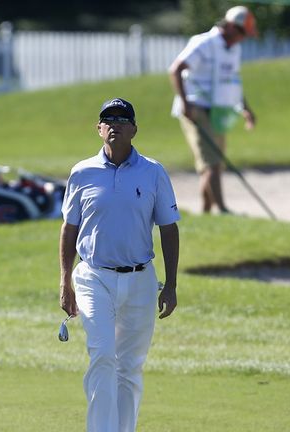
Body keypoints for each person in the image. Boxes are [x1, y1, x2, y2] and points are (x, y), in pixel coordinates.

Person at [59, 98, 180, 432]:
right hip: (93, 277)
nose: (114, 124)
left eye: (122, 119)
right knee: (102, 356)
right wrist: (64, 281)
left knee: (129, 366)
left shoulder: (153, 172)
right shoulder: (81, 172)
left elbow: (169, 228)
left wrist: (170, 284)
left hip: (141, 278)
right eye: (107, 119)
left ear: (134, 130)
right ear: (99, 129)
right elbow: (69, 228)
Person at [168, 5, 258, 214]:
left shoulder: (234, 49)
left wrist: (245, 109)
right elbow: (176, 70)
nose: (242, 39)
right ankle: (223, 210)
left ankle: (207, 212)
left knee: (213, 164)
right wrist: (186, 104)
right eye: (242, 33)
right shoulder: (204, 43)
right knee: (212, 163)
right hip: (195, 108)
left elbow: (233, 81)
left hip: (218, 112)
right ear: (230, 27)